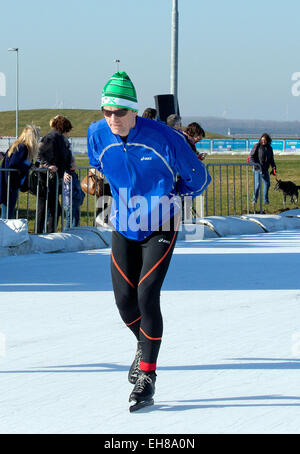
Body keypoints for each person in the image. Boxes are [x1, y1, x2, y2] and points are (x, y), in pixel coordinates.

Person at [87, 71, 211, 411]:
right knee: (125, 303)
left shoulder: (164, 137)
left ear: (135, 111)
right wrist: (99, 184)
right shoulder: (97, 134)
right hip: (124, 224)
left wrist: (175, 195)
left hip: (161, 223)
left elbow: (199, 179)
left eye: (120, 112)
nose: (113, 119)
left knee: (146, 294)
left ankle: (147, 378)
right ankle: (144, 345)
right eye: (106, 112)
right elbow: (98, 166)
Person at [36, 115, 72, 233]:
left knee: (51, 208)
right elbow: (39, 154)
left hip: (52, 178)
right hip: (46, 178)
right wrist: (48, 166)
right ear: (64, 128)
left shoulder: (58, 138)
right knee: (49, 208)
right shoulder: (51, 138)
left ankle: (44, 233)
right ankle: (43, 233)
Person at [0, 125, 39, 219]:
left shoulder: (19, 145)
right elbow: (13, 164)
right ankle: (5, 233)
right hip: (10, 184)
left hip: (10, 183)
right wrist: (28, 165)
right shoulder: (22, 147)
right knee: (8, 213)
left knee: (8, 211)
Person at [249, 133, 276, 206]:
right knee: (257, 185)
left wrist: (274, 167)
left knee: (267, 184)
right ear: (260, 140)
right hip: (257, 169)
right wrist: (255, 165)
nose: (263, 141)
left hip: (265, 170)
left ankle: (265, 200)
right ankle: (254, 200)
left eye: (265, 140)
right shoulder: (257, 146)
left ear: (268, 140)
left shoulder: (270, 148)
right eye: (262, 140)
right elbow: (251, 157)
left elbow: (271, 159)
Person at [63, 156, 85, 229]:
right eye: (74, 163)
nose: (76, 165)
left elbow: (77, 187)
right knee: (69, 221)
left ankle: (75, 235)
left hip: (75, 201)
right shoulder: (68, 176)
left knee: (76, 220)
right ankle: (67, 234)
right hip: (70, 202)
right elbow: (69, 191)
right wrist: (79, 196)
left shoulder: (74, 174)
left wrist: (82, 194)